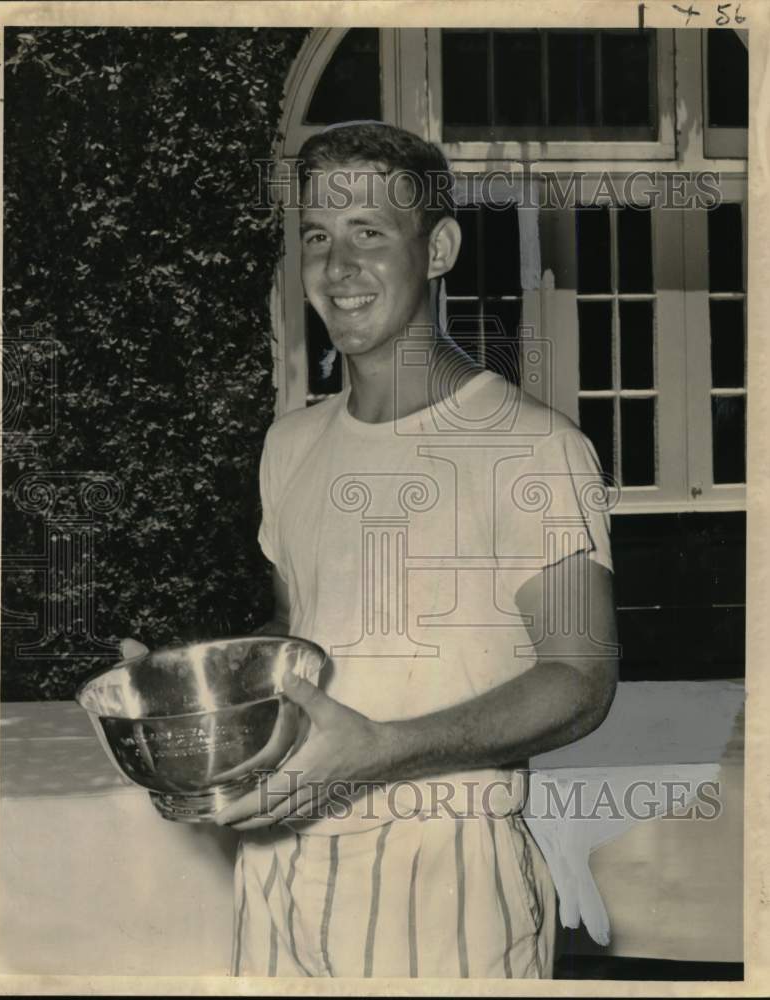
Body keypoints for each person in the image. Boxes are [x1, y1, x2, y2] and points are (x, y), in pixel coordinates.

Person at [212, 122, 619, 978]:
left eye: (369, 233)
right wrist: (211, 697)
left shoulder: (534, 447)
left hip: (443, 882)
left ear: (437, 248)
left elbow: (580, 682)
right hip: (279, 864)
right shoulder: (289, 444)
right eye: (317, 237)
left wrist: (386, 750)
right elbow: (304, 649)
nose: (337, 268)